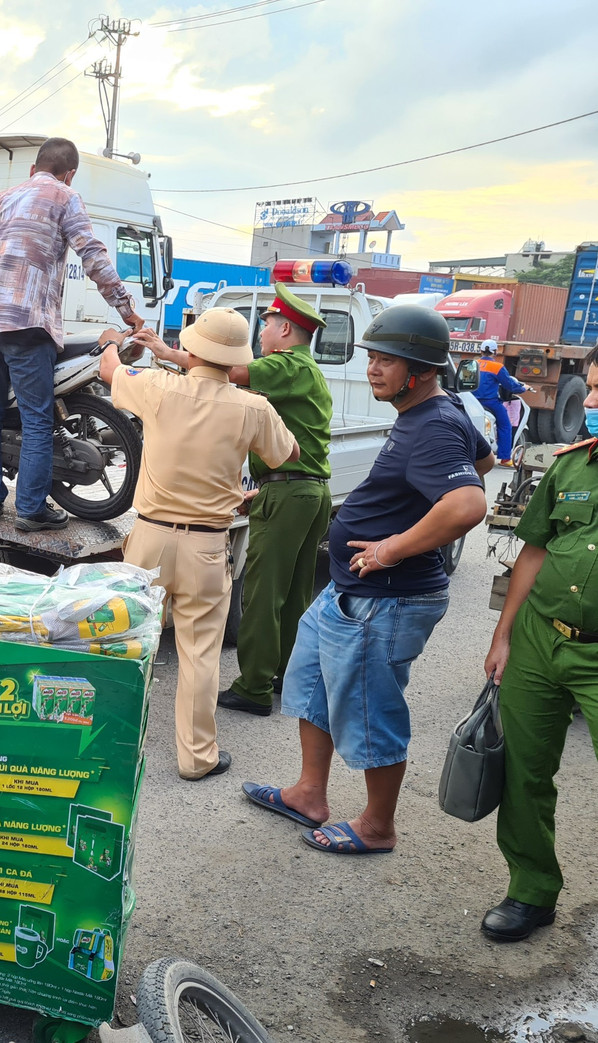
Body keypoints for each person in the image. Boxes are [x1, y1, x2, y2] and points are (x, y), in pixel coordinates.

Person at [242, 306, 492, 854]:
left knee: (368, 709)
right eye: (372, 357)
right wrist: (411, 510)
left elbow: (469, 502)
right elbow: (484, 460)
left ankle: (378, 826)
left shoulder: (434, 424)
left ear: (421, 371)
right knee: (311, 685)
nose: (373, 369)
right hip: (350, 592)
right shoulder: (435, 409)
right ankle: (309, 793)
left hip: (386, 599)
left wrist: (391, 548)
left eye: (386, 361)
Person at [98, 309, 299, 780]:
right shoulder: (252, 407)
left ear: (190, 349)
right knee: (200, 655)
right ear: (236, 360)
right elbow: (288, 453)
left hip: (149, 539)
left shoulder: (158, 386)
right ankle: (196, 758)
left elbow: (109, 370)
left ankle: (106, 750)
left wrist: (109, 339)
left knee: (126, 644)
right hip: (207, 547)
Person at [0, 136, 141, 532]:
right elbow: (93, 257)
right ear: (69, 174)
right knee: (36, 420)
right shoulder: (66, 197)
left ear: (33, 168)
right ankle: (30, 510)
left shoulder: (0, 199)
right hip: (28, 326)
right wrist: (127, 311)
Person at [479, 347, 598, 941]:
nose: (591, 403)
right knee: (524, 770)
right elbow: (534, 551)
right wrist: (503, 637)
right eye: (592, 388)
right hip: (539, 638)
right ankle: (531, 890)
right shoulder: (572, 465)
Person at [178, 283, 331, 717]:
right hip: (306, 490)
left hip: (290, 492)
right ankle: (284, 674)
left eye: (266, 326)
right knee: (294, 593)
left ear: (284, 330)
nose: (260, 334)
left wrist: (171, 353)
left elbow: (228, 373)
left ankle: (254, 688)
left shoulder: (289, 365)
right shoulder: (307, 370)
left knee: (263, 595)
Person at [476, 339, 531, 465]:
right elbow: (510, 385)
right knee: (505, 425)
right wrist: (523, 388)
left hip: (472, 401)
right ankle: (505, 458)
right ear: (495, 352)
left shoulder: (473, 364)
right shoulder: (497, 367)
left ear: (481, 351)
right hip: (490, 403)